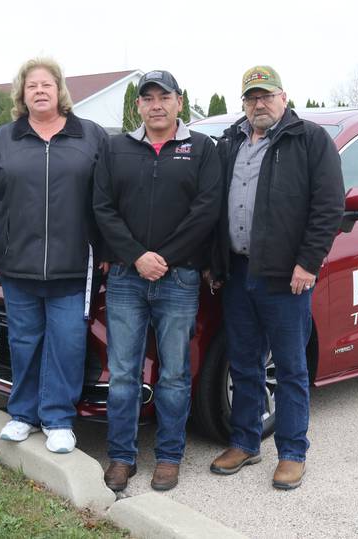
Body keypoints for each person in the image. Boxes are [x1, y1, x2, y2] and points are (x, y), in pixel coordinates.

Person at [207, 66, 344, 490]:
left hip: (285, 277)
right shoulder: (229, 142)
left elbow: (328, 207)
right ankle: (246, 442)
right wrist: (214, 261)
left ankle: (292, 452)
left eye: (266, 96)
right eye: (251, 98)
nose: (258, 104)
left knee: (289, 367)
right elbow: (213, 205)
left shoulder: (310, 141)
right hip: (237, 272)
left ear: (283, 97)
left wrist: (308, 262)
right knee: (245, 363)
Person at [94, 70, 221, 491]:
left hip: (179, 279)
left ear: (179, 102)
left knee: (174, 374)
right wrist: (136, 256)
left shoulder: (201, 149)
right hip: (128, 280)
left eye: (163, 97)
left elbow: (205, 211)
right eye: (147, 98)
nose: (156, 105)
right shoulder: (117, 149)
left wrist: (163, 258)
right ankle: (122, 457)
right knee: (125, 373)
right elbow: (102, 209)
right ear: (138, 106)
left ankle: (169, 457)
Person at [0, 58, 107, 454]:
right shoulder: (4, 139)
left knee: (67, 343)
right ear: (22, 94)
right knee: (25, 341)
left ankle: (58, 419)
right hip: (18, 266)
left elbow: (107, 201)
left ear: (59, 90)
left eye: (47, 84)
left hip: (73, 267)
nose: (40, 91)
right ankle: (23, 415)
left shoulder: (90, 137)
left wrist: (107, 250)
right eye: (32, 86)